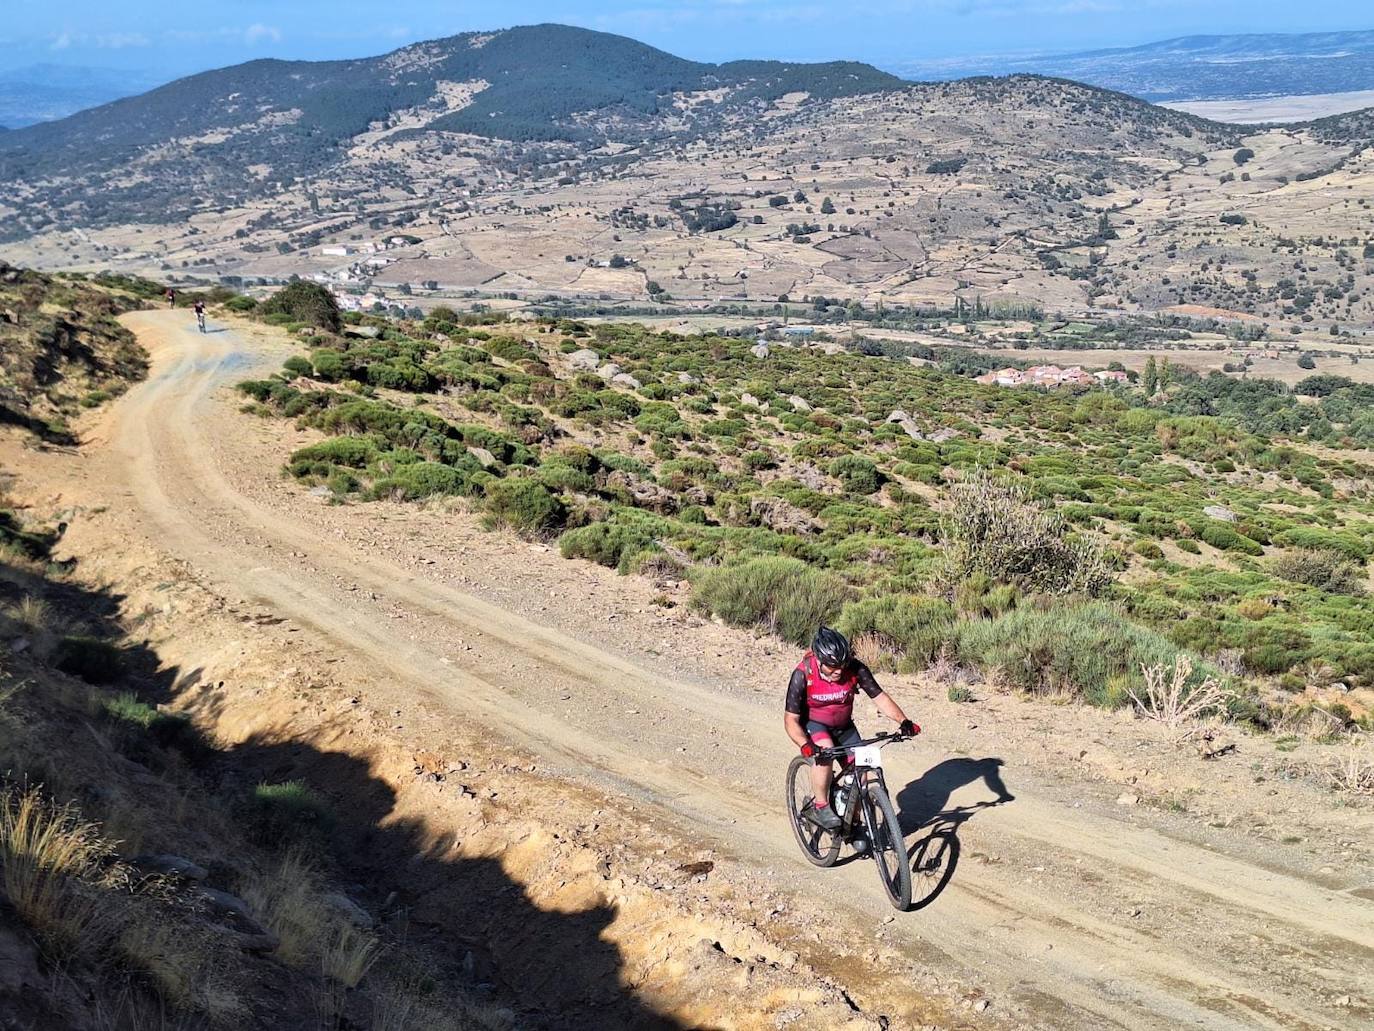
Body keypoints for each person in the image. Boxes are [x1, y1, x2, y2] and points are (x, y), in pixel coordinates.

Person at [785, 626, 918, 831]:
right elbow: (791, 719)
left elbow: (879, 697)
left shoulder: (855, 669)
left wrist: (904, 722)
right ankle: (820, 805)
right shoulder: (803, 674)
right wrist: (805, 744)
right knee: (825, 753)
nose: (838, 670)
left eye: (842, 665)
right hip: (815, 725)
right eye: (832, 666)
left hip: (845, 727)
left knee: (861, 776)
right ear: (819, 659)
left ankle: (852, 824)